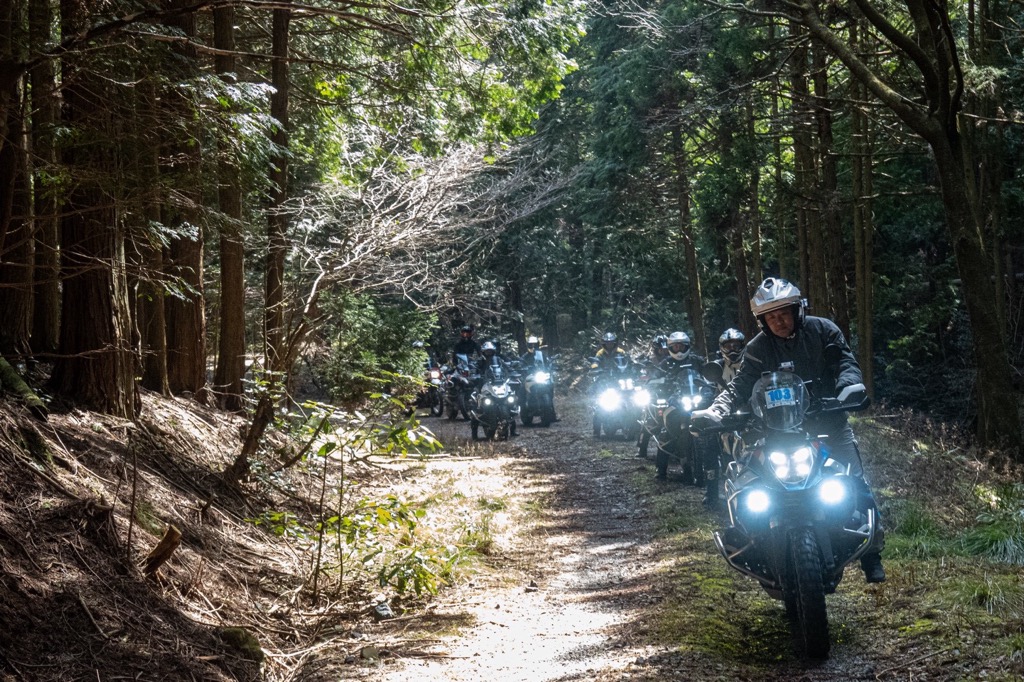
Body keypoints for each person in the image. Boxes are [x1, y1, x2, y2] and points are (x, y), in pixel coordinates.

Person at [693, 277, 886, 583]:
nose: (778, 321)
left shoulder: (823, 331)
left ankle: (871, 554)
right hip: (776, 431)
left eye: (783, 313)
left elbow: (846, 363)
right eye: (771, 317)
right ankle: (749, 540)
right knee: (747, 479)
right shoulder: (757, 348)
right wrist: (717, 410)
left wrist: (848, 387)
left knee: (856, 482)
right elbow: (740, 385)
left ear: (798, 310)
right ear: (762, 321)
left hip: (828, 424)